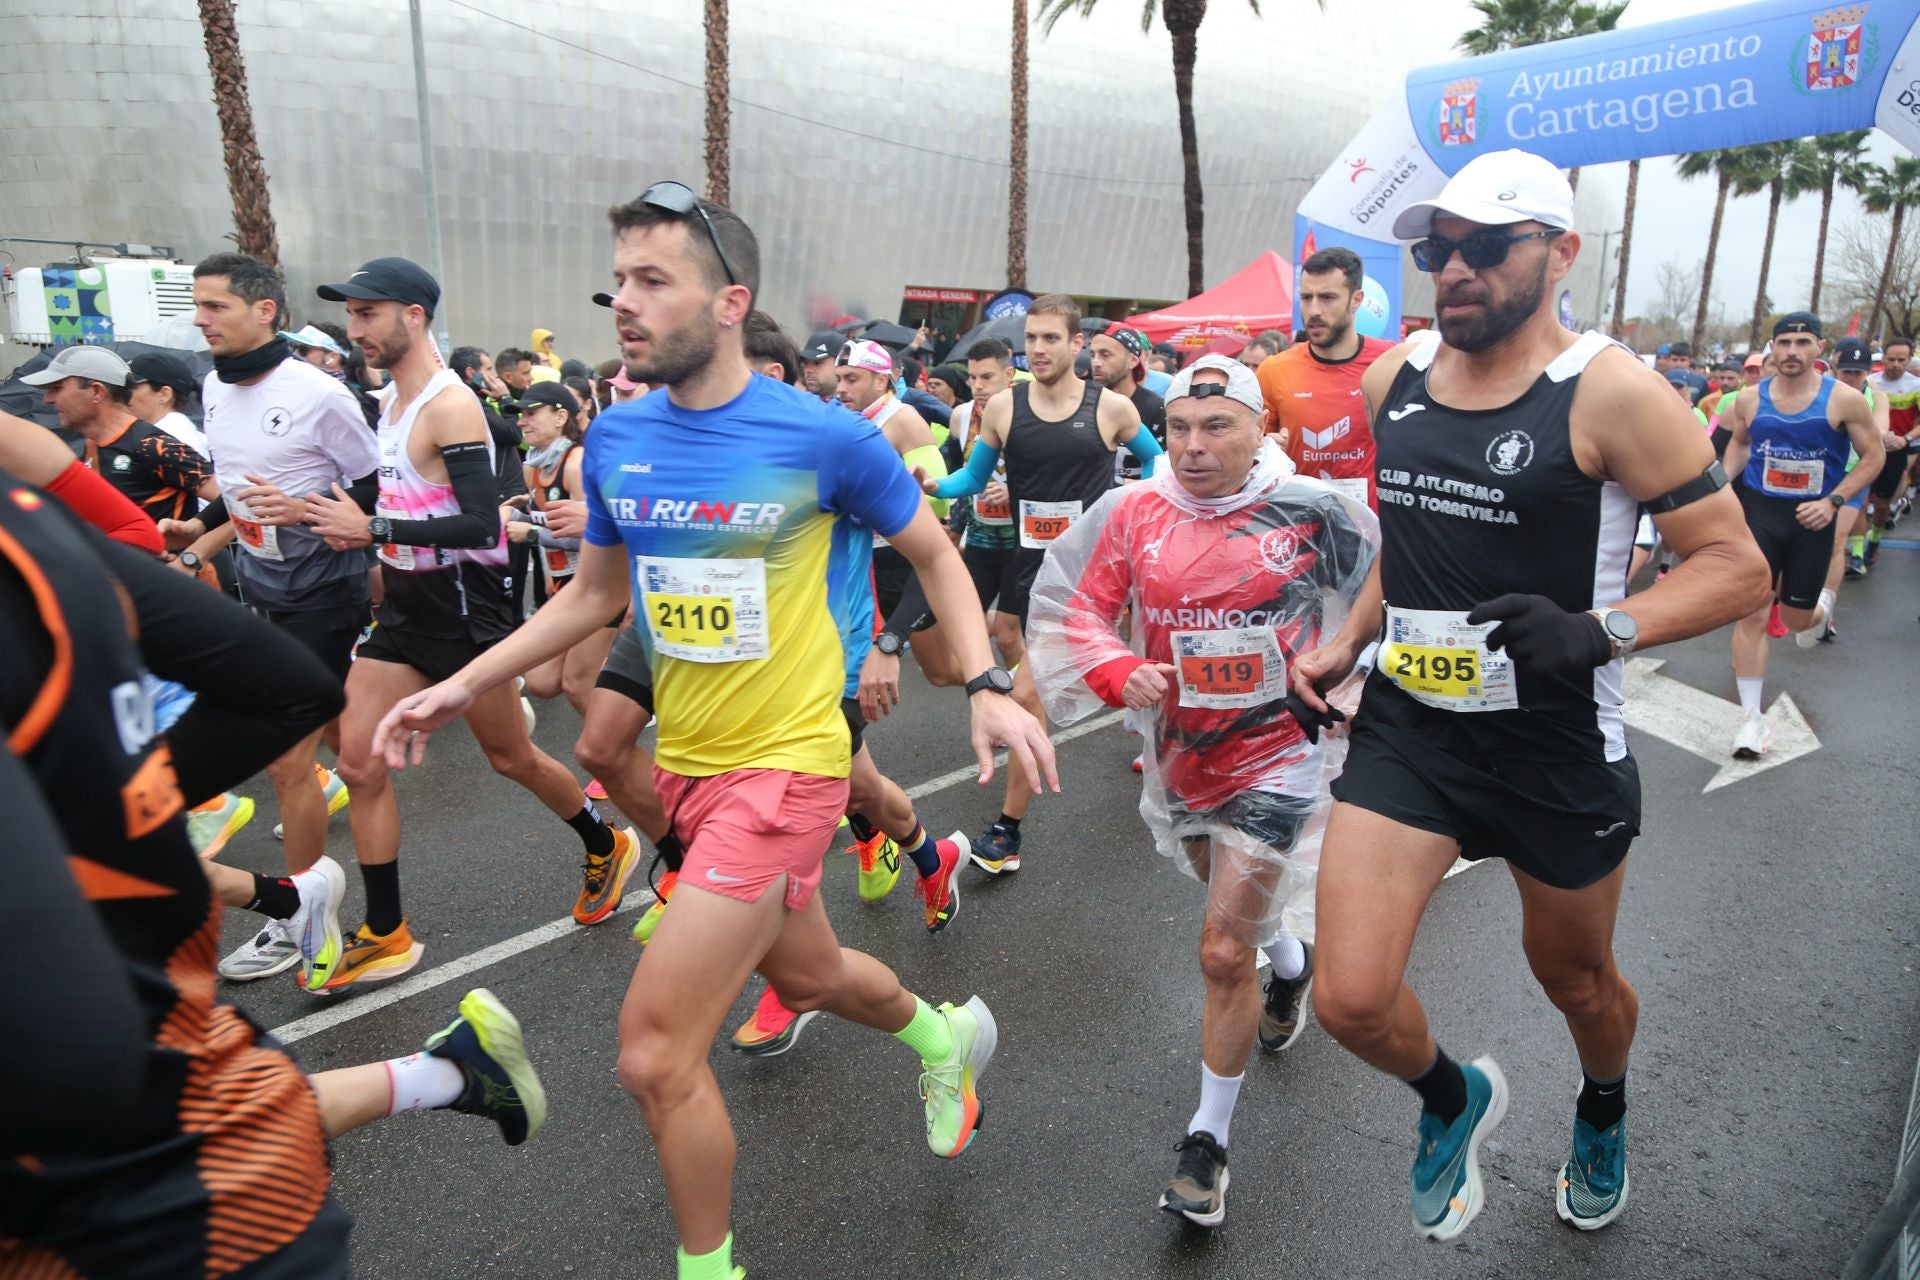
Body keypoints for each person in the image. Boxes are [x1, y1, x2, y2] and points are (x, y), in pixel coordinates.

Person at [369, 182, 1055, 1280]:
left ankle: (710, 1268)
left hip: (786, 773)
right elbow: (591, 597)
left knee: (652, 1053)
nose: (625, 307)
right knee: (822, 974)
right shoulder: (621, 437)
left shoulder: (824, 436)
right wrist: (463, 682)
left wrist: (982, 679)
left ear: (729, 301)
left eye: (653, 281)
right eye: (619, 285)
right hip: (689, 767)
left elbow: (933, 551)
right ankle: (947, 1037)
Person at [1288, 150, 1771, 1240]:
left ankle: (1603, 1105)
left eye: (1483, 246)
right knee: (1350, 998)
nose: (1452, 269)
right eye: (1435, 249)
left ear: (1560, 252)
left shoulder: (1612, 392)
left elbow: (1739, 567)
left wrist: (1601, 629)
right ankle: (1453, 1096)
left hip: (1555, 742)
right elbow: (1404, 548)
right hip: (1413, 728)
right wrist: (1342, 645)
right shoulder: (1391, 380)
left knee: (1578, 980)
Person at [0, 480, 545, 1277]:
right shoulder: (28, 521)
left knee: (523, 753)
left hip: (157, 1217)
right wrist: (118, 821)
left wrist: (113, 819)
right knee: (360, 765)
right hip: (189, 1113)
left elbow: (75, 1065)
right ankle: (432, 1047)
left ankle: (363, 920)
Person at [1028, 354, 1377, 1226]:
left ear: (1266, 430)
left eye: (1216, 425)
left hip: (1281, 754)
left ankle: (1206, 1142)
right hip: (1183, 753)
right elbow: (1076, 606)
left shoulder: (1312, 511)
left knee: (1222, 951)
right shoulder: (1135, 511)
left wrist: (1347, 681)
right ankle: (1288, 967)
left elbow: (1387, 597)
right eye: (1179, 426)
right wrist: (1114, 669)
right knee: (1233, 911)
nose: (1191, 446)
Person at [301, 257, 639, 989]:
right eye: (351, 315)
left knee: (512, 758)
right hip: (406, 615)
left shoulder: (450, 407)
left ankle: (603, 841)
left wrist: (374, 528)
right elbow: (382, 496)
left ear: (412, 317)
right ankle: (386, 930)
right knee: (357, 761)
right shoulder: (389, 405)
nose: (355, 328)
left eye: (368, 313)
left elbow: (481, 523)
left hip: (467, 615)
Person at [152, 253, 373, 958]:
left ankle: (298, 912)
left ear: (264, 310)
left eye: (215, 306)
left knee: (285, 759)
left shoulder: (319, 392)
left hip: (322, 589)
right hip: (259, 578)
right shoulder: (214, 388)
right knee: (341, 734)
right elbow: (243, 490)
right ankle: (363, 762)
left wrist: (306, 510)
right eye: (199, 305)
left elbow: (380, 494)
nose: (199, 318)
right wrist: (202, 535)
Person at [927, 293, 1163, 873]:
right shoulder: (1005, 409)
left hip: (1091, 575)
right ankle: (1160, 742)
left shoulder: (1110, 409)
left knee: (1028, 693)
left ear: (1076, 344)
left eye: (1050, 338)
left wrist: (1124, 509)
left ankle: (1006, 832)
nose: (1038, 348)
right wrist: (931, 488)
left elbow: (1157, 466)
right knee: (1052, 673)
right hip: (1030, 565)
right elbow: (972, 479)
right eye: (1031, 339)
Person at [1722, 312, 1882, 755]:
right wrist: (1718, 482)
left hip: (1814, 514)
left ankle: (1821, 609)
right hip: (1760, 511)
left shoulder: (1846, 400)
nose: (1792, 351)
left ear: (1820, 348)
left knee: (1796, 620)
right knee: (1752, 613)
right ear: (1773, 348)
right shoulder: (1750, 399)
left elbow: (1872, 457)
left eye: (1802, 342)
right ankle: (1751, 721)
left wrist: (1834, 500)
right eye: (1785, 342)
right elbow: (1740, 443)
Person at [1256, 246, 1395, 511]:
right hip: (1299, 522)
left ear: (1356, 300)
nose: (1314, 310)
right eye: (1306, 298)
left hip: (1373, 526)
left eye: (1327, 297)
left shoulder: (1390, 361)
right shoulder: (1274, 370)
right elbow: (1254, 449)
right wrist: (1263, 447)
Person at [21, 345, 218, 528]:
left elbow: (235, 502)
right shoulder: (92, 445)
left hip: (166, 564)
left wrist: (194, 554)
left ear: (96, 392)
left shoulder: (152, 444)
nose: (48, 399)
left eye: (57, 388)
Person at [1863, 336, 1919, 567]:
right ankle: (1855, 545)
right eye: (1891, 359)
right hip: (1867, 449)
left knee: (1882, 502)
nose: (1896, 364)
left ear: (1909, 359)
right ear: (1883, 357)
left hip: (1898, 449)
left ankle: (1875, 537)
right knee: (1861, 498)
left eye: (1901, 360)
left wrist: (1905, 439)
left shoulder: (1916, 386)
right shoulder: (1869, 382)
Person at [1087, 326, 1167, 483]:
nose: (1096, 362)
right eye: (1092, 354)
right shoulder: (1083, 403)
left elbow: (1165, 471)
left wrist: (1122, 484)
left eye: (1105, 355)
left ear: (1132, 360)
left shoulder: (1156, 408)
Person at [127, 351, 209, 457]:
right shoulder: (173, 431)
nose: (124, 394)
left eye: (132, 387)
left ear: (164, 394)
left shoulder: (169, 439)